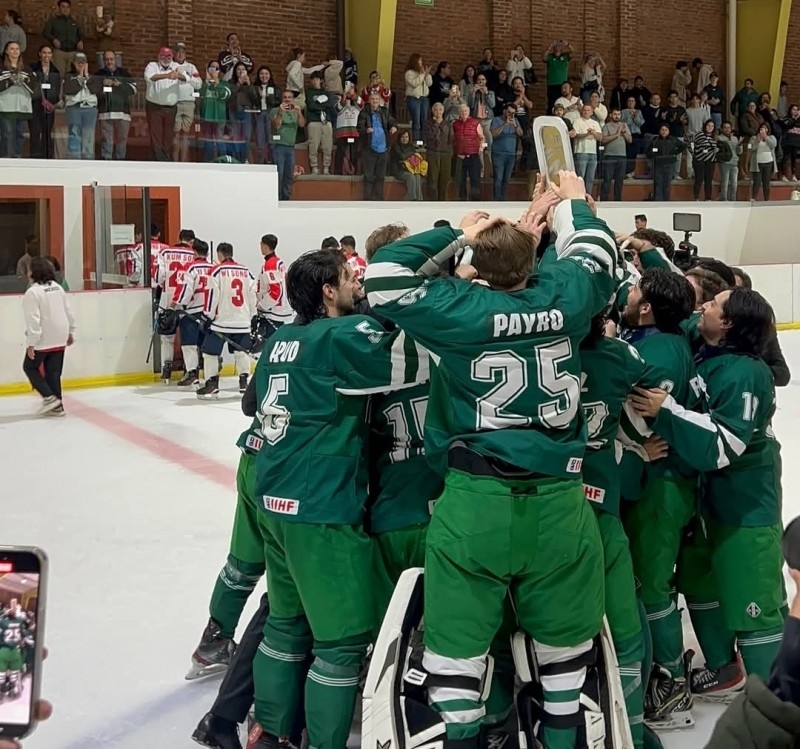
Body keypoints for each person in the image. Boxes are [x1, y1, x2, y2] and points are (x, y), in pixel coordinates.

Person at [364, 173, 618, 747]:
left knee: (458, 659)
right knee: (562, 664)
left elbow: (383, 276)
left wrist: (459, 231)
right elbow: (594, 251)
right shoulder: (564, 295)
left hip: (475, 502)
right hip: (559, 499)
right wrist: (571, 203)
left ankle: (464, 735)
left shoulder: (460, 307)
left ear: (480, 264)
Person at [248, 248, 429, 749]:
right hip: (321, 506)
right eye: (349, 277)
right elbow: (416, 359)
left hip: (274, 499)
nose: (358, 282)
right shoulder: (338, 335)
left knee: (285, 628)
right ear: (328, 290)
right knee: (340, 644)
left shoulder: (280, 339)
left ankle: (271, 732)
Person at [629, 287, 785, 691]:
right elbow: (669, 304)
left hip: (745, 503)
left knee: (754, 602)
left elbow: (724, 445)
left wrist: (667, 411)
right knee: (700, 581)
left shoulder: (746, 374)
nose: (704, 306)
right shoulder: (703, 345)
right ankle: (723, 666)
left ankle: (774, 705)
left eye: (714, 305)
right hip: (705, 496)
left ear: (728, 323)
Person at [617, 267, 700, 728]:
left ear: (646, 306)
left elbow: (636, 421)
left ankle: (669, 681)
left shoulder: (660, 355)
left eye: (633, 291)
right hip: (659, 481)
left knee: (652, 584)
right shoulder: (657, 339)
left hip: (662, 481)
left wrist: (630, 445)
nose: (626, 295)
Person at [197, 242, 257, 398]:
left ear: (220, 254)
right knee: (241, 352)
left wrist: (207, 316)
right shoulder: (246, 271)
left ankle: (211, 384)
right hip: (242, 321)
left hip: (221, 322)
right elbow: (253, 296)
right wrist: (252, 316)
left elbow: (211, 295)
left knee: (210, 353)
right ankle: (244, 382)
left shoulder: (216, 271)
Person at [22, 256, 76, 416]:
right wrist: (71, 330)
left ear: (33, 272)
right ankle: (58, 405)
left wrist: (31, 342)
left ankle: (49, 397)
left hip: (44, 337)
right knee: (53, 371)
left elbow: (33, 319)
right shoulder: (57, 287)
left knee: (29, 367)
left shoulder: (33, 292)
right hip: (60, 334)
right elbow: (69, 311)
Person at [174, 238, 214, 389]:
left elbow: (185, 290)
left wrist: (177, 304)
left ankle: (192, 374)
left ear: (194, 252)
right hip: (208, 313)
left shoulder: (191, 268)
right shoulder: (213, 267)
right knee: (206, 345)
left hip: (191, 312)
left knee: (189, 345)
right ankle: (210, 375)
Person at [156, 230, 195, 383]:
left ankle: (167, 369)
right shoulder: (194, 254)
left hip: (167, 298)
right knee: (189, 336)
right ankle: (189, 368)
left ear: (179, 238)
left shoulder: (165, 252)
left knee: (167, 337)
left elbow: (160, 277)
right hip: (188, 300)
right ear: (192, 241)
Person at [358, 91, 397, 200]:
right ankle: (367, 199)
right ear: (369, 101)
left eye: (377, 99)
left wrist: (394, 126)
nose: (375, 101)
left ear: (380, 101)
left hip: (383, 148)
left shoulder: (384, 111)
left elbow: (392, 121)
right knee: (369, 176)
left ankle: (379, 199)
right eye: (373, 99)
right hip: (369, 148)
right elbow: (359, 128)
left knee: (380, 177)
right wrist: (366, 130)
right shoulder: (364, 113)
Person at [255, 232, 293, 335]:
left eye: (261, 244)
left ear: (265, 245)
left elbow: (276, 292)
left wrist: (261, 306)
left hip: (273, 314)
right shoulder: (278, 262)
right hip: (280, 312)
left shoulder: (270, 264)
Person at [271, 90, 305, 201]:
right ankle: (276, 198)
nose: (287, 99)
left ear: (292, 99)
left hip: (291, 147)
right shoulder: (275, 110)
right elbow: (276, 125)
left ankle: (286, 198)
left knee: (288, 175)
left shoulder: (295, 112)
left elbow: (302, 124)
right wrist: (280, 111)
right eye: (285, 97)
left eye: (289, 97)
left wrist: (299, 112)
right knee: (279, 174)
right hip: (279, 146)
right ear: (282, 99)